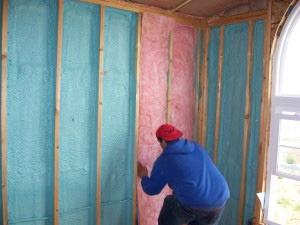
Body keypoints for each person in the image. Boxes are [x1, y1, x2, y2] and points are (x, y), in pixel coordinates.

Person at [137, 124, 230, 225]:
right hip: (219, 200)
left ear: (163, 141)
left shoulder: (165, 160)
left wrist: (144, 176)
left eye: (160, 142)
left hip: (194, 203)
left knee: (170, 202)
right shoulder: (196, 147)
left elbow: (152, 189)